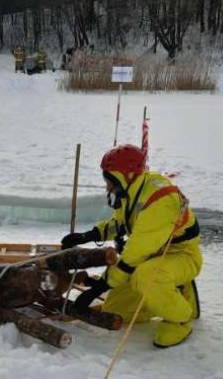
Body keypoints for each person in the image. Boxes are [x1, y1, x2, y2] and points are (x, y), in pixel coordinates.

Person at [62, 143, 202, 348]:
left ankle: (180, 318)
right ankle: (160, 300)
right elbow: (121, 223)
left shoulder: (161, 200)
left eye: (109, 180)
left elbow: (132, 256)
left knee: (146, 276)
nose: (107, 186)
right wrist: (88, 235)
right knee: (118, 310)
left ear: (125, 176)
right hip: (149, 255)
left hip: (180, 255)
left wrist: (99, 287)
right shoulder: (132, 192)